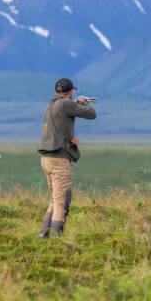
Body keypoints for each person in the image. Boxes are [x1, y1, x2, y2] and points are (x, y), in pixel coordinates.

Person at [37, 78, 96, 238]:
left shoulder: (51, 105)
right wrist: (84, 103)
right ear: (71, 91)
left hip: (46, 159)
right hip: (59, 159)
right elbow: (91, 114)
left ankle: (44, 235)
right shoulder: (66, 103)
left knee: (55, 199)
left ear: (57, 91)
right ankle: (57, 239)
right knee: (63, 201)